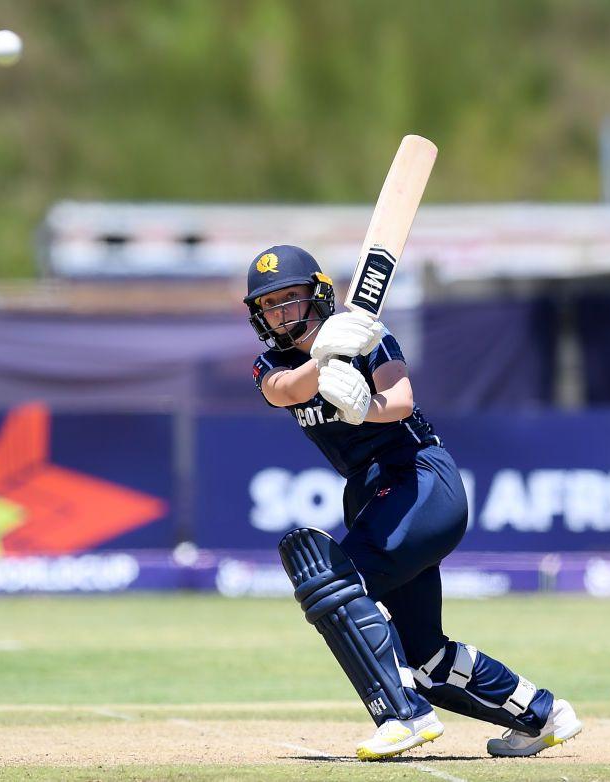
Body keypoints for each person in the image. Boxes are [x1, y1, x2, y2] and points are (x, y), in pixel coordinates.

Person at [245, 245, 582, 761]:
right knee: (425, 659)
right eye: (271, 305)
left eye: (292, 297)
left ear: (317, 294)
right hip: (368, 491)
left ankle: (403, 716)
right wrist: (321, 360)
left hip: (419, 479)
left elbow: (400, 399)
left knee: (331, 579)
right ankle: (540, 713)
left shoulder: (365, 337)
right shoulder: (273, 363)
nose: (284, 312)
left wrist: (365, 408)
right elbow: (284, 390)